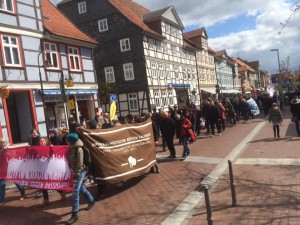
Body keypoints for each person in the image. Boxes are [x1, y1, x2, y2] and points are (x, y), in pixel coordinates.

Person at [65, 133, 95, 225]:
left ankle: (74, 215)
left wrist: (76, 176)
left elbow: (79, 164)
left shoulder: (78, 149)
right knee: (81, 188)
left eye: (67, 140)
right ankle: (91, 200)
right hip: (76, 172)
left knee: (75, 192)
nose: (66, 141)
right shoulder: (72, 147)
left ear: (70, 141)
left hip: (80, 172)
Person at [0, 138, 26, 207]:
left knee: (17, 182)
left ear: (7, 143)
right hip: (3, 170)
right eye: (2, 143)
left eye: (4, 143)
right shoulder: (0, 151)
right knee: (2, 185)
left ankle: (23, 193)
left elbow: (14, 158)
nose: (3, 144)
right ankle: (1, 201)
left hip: (11, 169)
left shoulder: (10, 149)